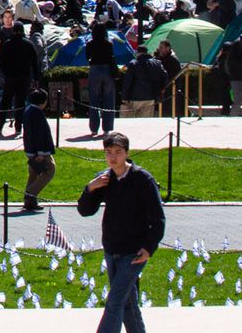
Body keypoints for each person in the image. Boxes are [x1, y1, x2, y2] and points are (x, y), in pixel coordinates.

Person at [75, 130, 165, 333]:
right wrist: (90, 188)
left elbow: (158, 218)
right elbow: (85, 210)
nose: (113, 157)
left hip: (134, 252)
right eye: (108, 152)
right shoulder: (104, 179)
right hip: (112, 248)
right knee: (127, 303)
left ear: (126, 153)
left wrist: (149, 248)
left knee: (115, 301)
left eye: (117, 152)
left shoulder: (142, 179)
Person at [0, 15, 41, 138]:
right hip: (24, 77)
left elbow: (2, 61)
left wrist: (6, 73)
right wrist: (36, 78)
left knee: (5, 102)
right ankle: (18, 127)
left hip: (10, 77)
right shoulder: (29, 44)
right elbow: (35, 63)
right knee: (20, 103)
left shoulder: (8, 44)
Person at [20, 87, 58, 213]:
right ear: (44, 102)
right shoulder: (37, 114)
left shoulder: (28, 110)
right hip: (40, 151)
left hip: (30, 149)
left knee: (34, 173)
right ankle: (30, 194)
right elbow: (39, 134)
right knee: (49, 170)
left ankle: (30, 201)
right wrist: (41, 153)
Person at [85, 20, 120, 137]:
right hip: (107, 70)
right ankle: (107, 128)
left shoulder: (90, 43)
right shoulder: (109, 44)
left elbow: (87, 57)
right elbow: (111, 57)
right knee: (109, 99)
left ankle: (94, 128)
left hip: (94, 69)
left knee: (93, 100)